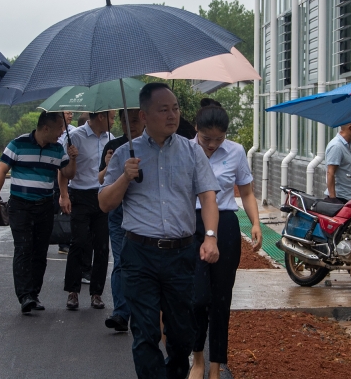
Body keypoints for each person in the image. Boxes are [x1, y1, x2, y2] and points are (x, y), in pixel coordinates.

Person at [99, 83, 220, 379]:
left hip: (180, 254)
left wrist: (210, 236)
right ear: (144, 115)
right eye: (163, 109)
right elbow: (105, 203)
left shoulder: (192, 152)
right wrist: (125, 177)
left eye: (175, 108)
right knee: (145, 332)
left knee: (181, 334)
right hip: (139, 254)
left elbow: (208, 197)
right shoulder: (125, 154)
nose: (172, 115)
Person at [188, 99, 263, 379]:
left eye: (218, 139)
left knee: (221, 298)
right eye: (206, 138)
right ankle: (197, 358)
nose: (212, 145)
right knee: (197, 298)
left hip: (227, 226)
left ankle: (215, 365)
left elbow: (246, 192)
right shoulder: (184, 149)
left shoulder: (235, 151)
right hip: (192, 225)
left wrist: (255, 223)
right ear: (196, 129)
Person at [0, 112, 78, 314]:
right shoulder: (17, 144)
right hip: (20, 206)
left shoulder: (57, 149)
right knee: (23, 248)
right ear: (46, 128)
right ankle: (24, 295)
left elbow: (68, 174)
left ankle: (34, 294)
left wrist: (72, 158)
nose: (61, 132)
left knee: (40, 251)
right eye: (59, 128)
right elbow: (1, 173)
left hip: (44, 206)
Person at [59, 111, 115, 310]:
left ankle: (96, 293)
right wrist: (64, 194)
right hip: (80, 195)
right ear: (101, 117)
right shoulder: (75, 137)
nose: (113, 121)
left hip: (102, 195)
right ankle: (72, 291)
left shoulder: (111, 139)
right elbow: (63, 170)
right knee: (79, 242)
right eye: (112, 117)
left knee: (102, 246)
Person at [98, 108, 144, 332]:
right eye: (125, 122)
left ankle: (142, 310)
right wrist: (109, 164)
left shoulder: (155, 146)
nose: (130, 126)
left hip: (143, 213)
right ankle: (121, 312)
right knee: (120, 260)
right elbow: (101, 180)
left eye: (134, 121)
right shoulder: (114, 147)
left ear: (144, 119)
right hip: (118, 213)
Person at [324, 120, 351, 204]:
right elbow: (330, 173)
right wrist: (333, 200)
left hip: (349, 196)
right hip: (340, 198)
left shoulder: (348, 144)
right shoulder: (337, 146)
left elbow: (348, 168)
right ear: (350, 128)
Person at [55, 111, 77, 255]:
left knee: (66, 210)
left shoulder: (74, 132)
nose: (70, 116)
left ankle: (64, 241)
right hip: (54, 171)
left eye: (71, 113)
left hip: (67, 169)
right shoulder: (54, 131)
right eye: (67, 113)